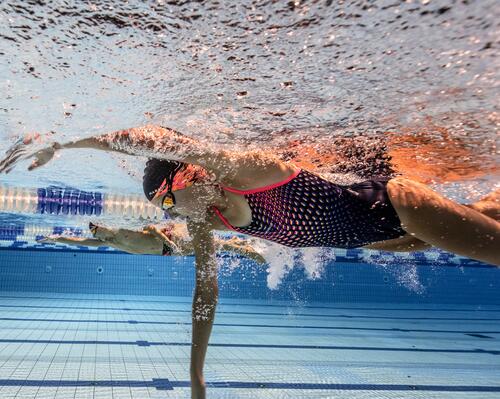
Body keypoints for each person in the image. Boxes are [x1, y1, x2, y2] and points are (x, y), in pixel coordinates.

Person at [1, 125, 499, 398]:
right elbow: (204, 294)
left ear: (190, 175)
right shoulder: (207, 217)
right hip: (372, 238)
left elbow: (152, 139)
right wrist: (196, 376)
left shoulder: (247, 170)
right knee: (485, 215)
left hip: (394, 205)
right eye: (164, 211)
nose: (174, 213)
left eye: (170, 201)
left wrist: (65, 144)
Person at [38, 222, 266, 264]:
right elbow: (78, 241)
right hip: (168, 251)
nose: (102, 233)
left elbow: (151, 228)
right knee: (209, 245)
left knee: (211, 245)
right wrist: (56, 239)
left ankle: (245, 250)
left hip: (171, 240)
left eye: (101, 228)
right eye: (99, 233)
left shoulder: (122, 230)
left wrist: (166, 240)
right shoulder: (111, 243)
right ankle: (240, 244)